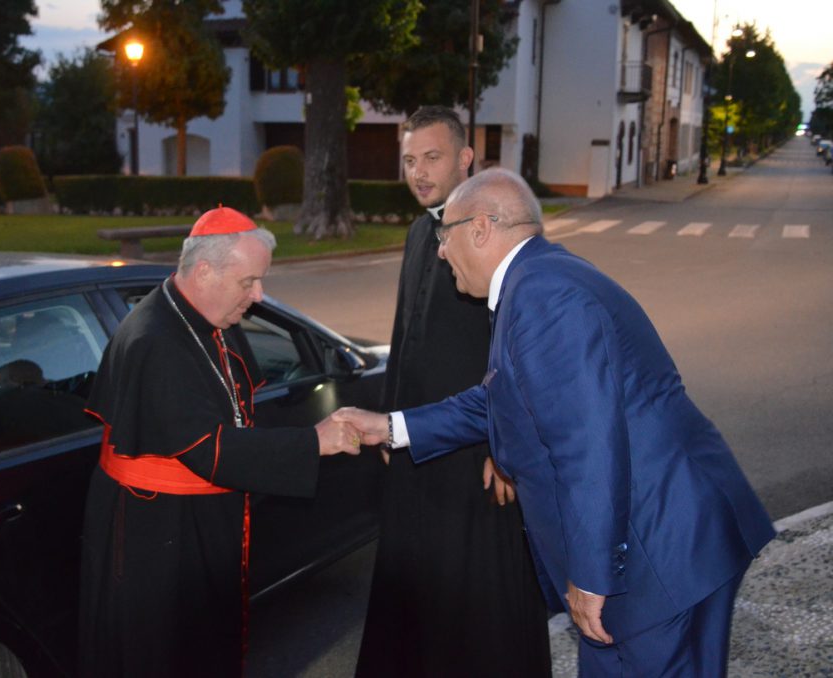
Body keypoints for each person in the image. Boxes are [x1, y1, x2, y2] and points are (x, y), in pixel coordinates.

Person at [337, 168, 776, 676]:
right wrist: (392, 427)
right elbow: (498, 399)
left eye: (444, 234)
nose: (439, 252)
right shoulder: (537, 279)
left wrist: (592, 577)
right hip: (657, 539)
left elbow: (587, 445)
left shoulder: (543, 297)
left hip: (656, 554)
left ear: (479, 228)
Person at [79, 206, 362, 678]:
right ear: (205, 271)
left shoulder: (201, 315)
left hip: (189, 522)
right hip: (162, 537)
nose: (259, 296)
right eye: (248, 282)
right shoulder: (156, 342)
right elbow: (209, 450)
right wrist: (313, 441)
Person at [354, 107, 551, 678]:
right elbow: (404, 335)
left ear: (466, 158)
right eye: (409, 160)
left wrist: (506, 447)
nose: (418, 172)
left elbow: (520, 354)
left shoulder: (498, 234)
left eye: (432, 157)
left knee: (476, 607)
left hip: (474, 455)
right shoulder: (420, 233)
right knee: (414, 591)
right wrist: (390, 423)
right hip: (416, 449)